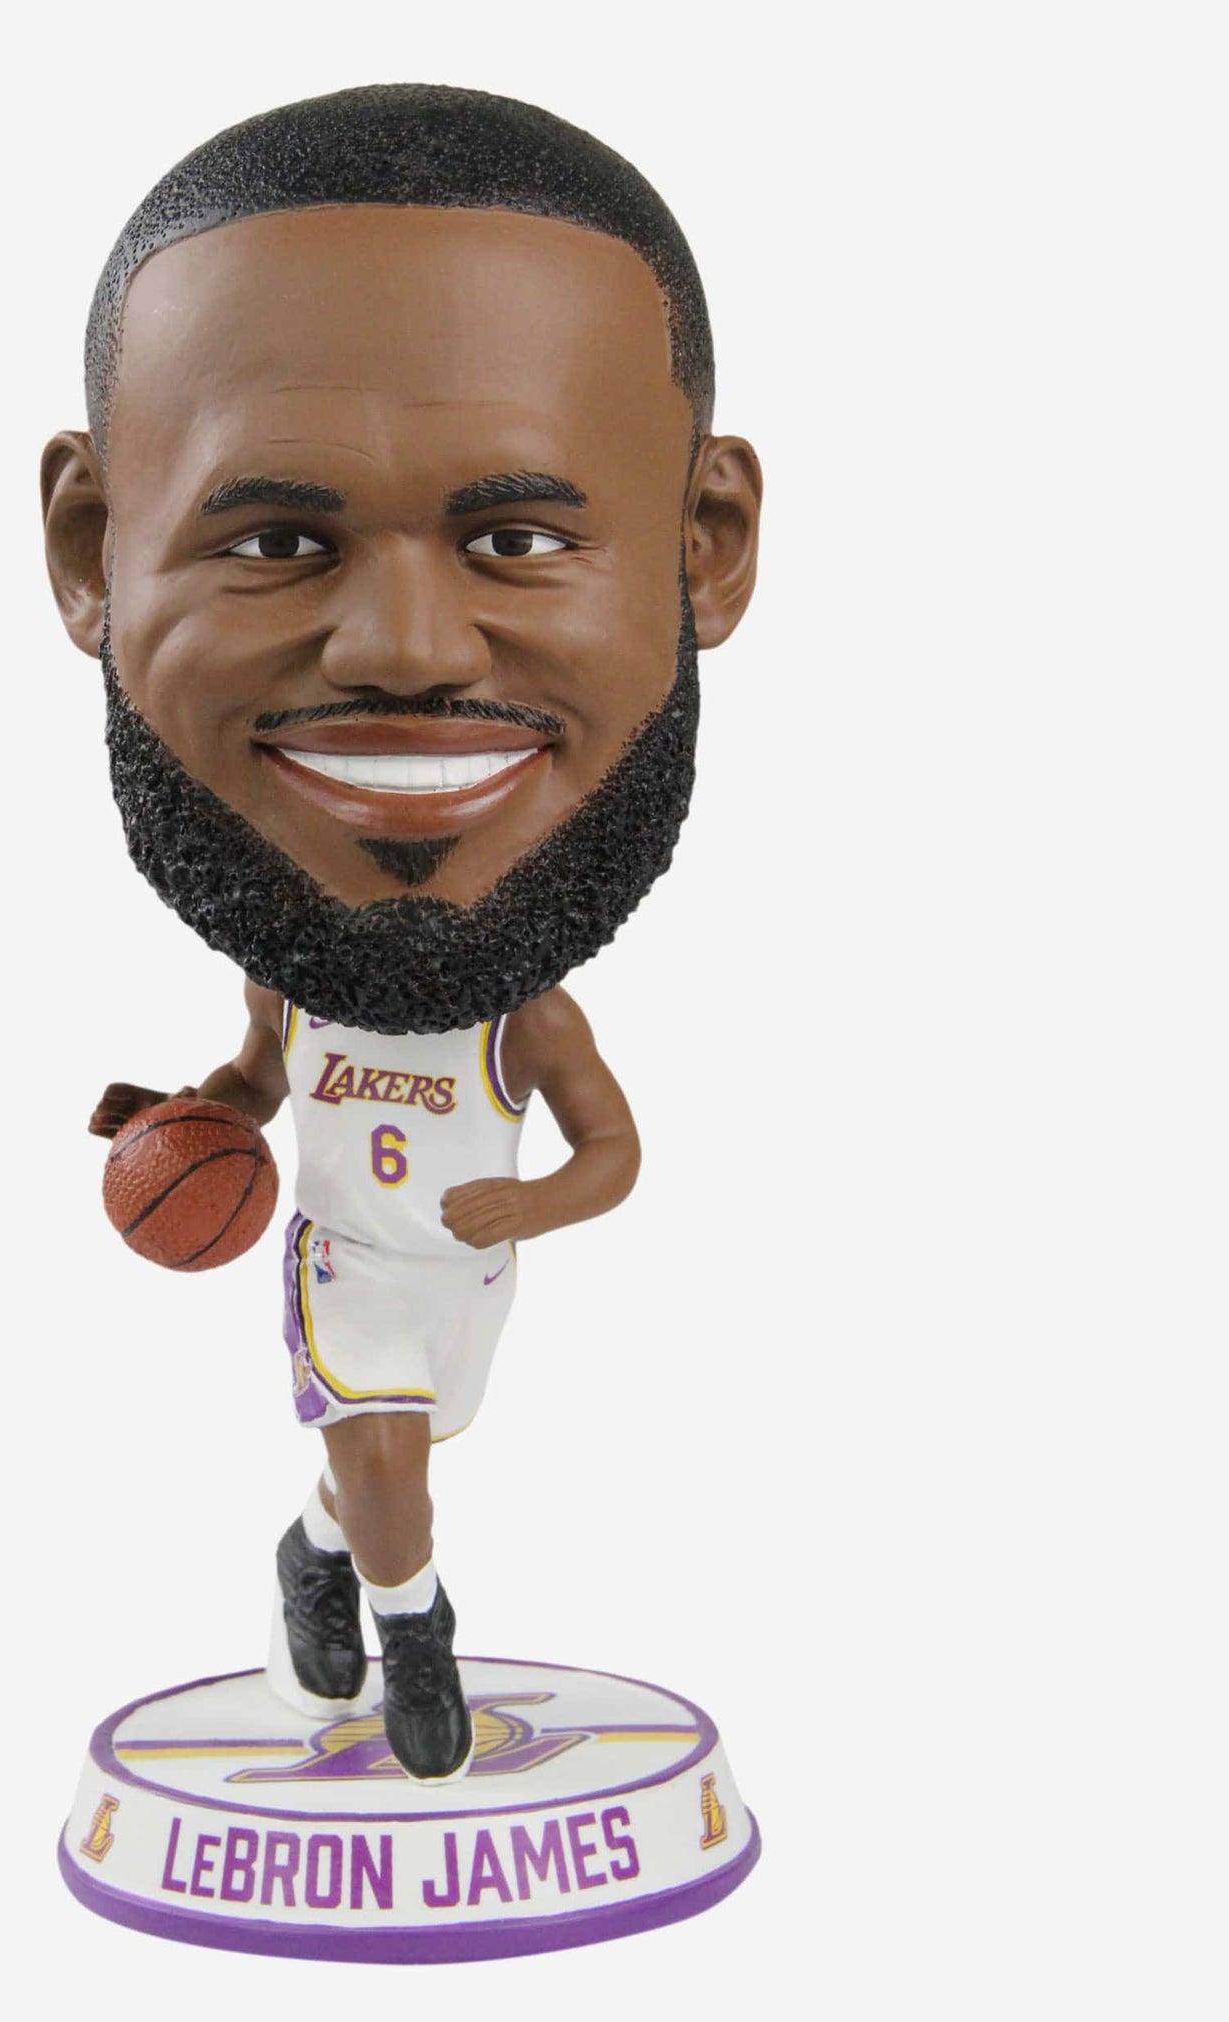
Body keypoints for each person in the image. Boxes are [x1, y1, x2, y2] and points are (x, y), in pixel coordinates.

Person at [42, 84, 761, 1779]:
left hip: (469, 1272)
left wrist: (538, 1202)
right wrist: (193, 1117)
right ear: (92, 552)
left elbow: (614, 1154)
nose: (408, 646)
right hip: (346, 1262)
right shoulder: (284, 988)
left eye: (518, 538)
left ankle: (318, 1559)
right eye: (281, 540)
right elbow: (257, 1069)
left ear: (706, 548)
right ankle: (413, 1641)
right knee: (391, 1467)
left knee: (402, 1451)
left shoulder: (533, 1027)